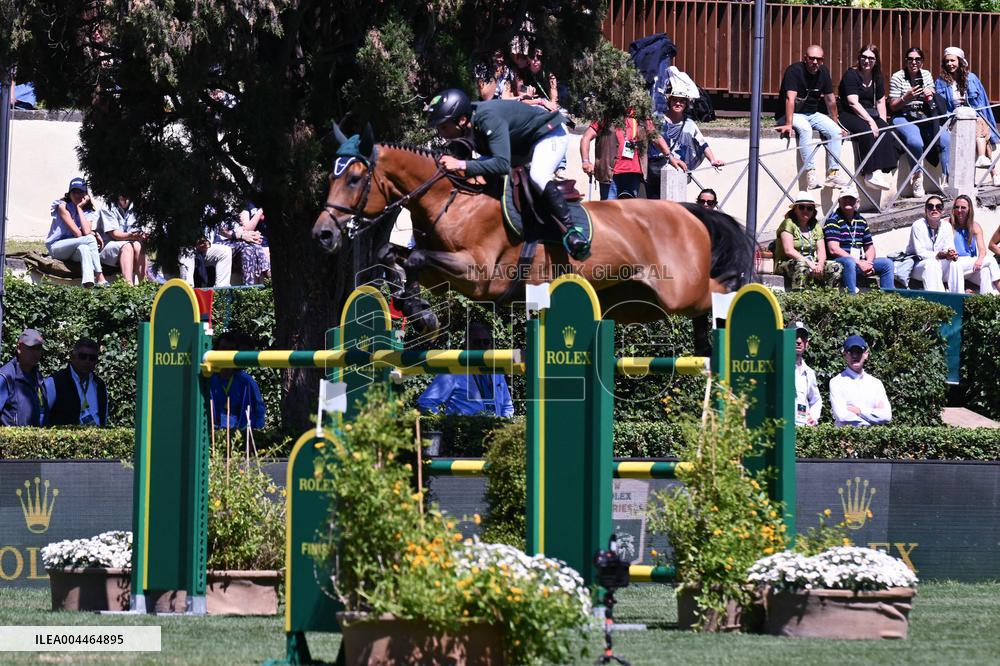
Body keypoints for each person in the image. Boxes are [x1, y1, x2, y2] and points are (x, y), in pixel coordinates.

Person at [426, 88, 590, 260]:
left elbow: (502, 164)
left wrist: (460, 164)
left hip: (549, 133)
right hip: (520, 144)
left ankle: (571, 230)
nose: (441, 133)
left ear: (461, 119)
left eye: (443, 126)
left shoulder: (487, 119)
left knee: (538, 175)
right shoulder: (463, 125)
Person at [774, 45, 849, 190]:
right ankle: (810, 173)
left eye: (819, 59)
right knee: (806, 130)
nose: (815, 62)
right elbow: (790, 99)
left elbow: (830, 100)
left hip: (812, 113)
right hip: (791, 113)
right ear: (805, 59)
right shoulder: (794, 71)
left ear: (822, 61)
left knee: (836, 132)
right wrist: (788, 123)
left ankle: (833, 173)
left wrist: (835, 123)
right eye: (812, 58)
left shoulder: (824, 72)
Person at [416, 322, 514, 417]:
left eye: (486, 342)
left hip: (496, 431)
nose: (482, 346)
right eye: (477, 342)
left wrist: (505, 427)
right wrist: (445, 424)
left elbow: (507, 405)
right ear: (467, 345)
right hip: (465, 432)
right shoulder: (453, 372)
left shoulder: (496, 372)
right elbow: (425, 403)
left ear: (491, 345)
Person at [644, 85, 725, 200]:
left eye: (682, 101)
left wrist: (712, 160)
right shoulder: (658, 119)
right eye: (675, 100)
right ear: (669, 101)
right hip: (656, 171)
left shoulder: (689, 124)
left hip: (677, 171)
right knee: (655, 206)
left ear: (686, 104)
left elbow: (702, 144)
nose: (678, 103)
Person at [888, 47, 949, 197]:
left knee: (947, 139)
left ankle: (947, 179)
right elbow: (892, 106)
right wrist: (905, 98)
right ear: (906, 61)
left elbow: (931, 95)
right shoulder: (898, 77)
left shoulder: (926, 74)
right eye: (910, 59)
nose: (913, 62)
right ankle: (917, 177)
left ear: (922, 61)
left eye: (917, 59)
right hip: (903, 115)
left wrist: (930, 93)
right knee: (915, 141)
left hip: (923, 115)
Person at [935, 47, 1000, 187]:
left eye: (952, 60)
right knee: (977, 129)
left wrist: (983, 118)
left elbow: (982, 101)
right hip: (953, 117)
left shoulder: (971, 78)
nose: (949, 64)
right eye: (947, 61)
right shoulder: (941, 81)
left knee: (979, 124)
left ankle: (986, 163)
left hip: (974, 115)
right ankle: (990, 169)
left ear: (960, 61)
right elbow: (941, 105)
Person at [838, 44, 898, 191]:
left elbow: (880, 102)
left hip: (869, 112)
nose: (867, 61)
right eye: (864, 57)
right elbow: (852, 102)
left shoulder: (877, 77)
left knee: (886, 130)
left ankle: (880, 170)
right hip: (849, 113)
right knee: (867, 131)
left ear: (876, 61)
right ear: (859, 58)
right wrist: (871, 122)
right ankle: (868, 173)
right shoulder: (851, 75)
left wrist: (882, 122)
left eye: (871, 58)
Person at [580, 112, 668, 200]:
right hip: (610, 174)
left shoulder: (641, 116)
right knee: (609, 211)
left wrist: (670, 156)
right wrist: (586, 161)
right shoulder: (607, 114)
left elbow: (656, 136)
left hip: (633, 175)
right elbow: (586, 138)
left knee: (629, 211)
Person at [824, 190, 894, 293]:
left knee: (887, 263)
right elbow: (833, 249)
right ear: (839, 201)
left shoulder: (861, 221)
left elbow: (869, 246)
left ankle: (889, 298)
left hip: (859, 262)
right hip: (840, 263)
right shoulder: (833, 221)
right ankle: (852, 298)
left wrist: (869, 263)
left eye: (851, 199)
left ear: (857, 202)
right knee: (849, 261)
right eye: (845, 198)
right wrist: (859, 263)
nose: (848, 201)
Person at [45, 178, 108, 288]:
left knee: (85, 248)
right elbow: (79, 234)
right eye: (74, 192)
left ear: (85, 194)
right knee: (90, 239)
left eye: (80, 192)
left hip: (74, 250)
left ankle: (88, 285)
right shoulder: (62, 207)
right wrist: (94, 234)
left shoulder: (88, 212)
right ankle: (100, 276)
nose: (77, 195)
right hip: (57, 248)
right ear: (69, 194)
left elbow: (87, 231)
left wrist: (79, 208)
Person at [774, 191, 843, 289]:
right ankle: (800, 298)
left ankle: (830, 298)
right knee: (802, 266)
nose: (806, 210)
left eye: (810, 208)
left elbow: (821, 252)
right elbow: (789, 250)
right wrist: (809, 263)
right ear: (795, 209)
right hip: (787, 263)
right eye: (802, 207)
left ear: (813, 211)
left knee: (836, 266)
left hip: (812, 263)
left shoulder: (815, 226)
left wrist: (820, 264)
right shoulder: (788, 224)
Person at [42, 338, 108, 427]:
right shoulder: (54, 382)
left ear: (96, 361)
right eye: (83, 356)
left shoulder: (99, 385)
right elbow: (41, 418)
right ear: (72, 357)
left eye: (92, 358)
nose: (87, 361)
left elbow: (104, 418)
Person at [829, 334, 892, 428]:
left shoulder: (876, 384)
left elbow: (886, 415)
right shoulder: (836, 382)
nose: (855, 356)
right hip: (845, 440)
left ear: (866, 354)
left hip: (871, 441)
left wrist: (860, 411)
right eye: (851, 352)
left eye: (859, 351)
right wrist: (872, 417)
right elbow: (842, 416)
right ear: (845, 355)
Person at [209, 332, 266, 429]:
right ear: (216, 351)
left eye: (231, 349)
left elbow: (259, 410)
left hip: (241, 438)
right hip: (214, 437)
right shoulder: (209, 379)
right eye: (223, 348)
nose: (227, 353)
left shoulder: (247, 382)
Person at [947, 194, 1000, 294]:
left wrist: (979, 260)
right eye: (957, 207)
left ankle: (987, 301)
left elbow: (982, 250)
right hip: (955, 264)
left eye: (963, 208)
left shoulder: (975, 226)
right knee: (990, 260)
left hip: (970, 266)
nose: (959, 210)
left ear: (969, 209)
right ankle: (998, 284)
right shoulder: (947, 224)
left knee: (985, 272)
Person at [902, 195, 955, 292]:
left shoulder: (946, 226)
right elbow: (920, 252)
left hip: (939, 264)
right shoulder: (918, 225)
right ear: (925, 210)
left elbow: (949, 247)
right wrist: (938, 255)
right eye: (930, 207)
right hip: (918, 265)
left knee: (956, 264)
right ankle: (939, 300)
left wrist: (951, 253)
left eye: (938, 207)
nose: (934, 209)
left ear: (942, 210)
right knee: (932, 263)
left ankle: (959, 299)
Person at [97, 195, 148, 285]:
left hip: (130, 244)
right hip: (108, 246)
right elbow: (115, 234)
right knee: (127, 246)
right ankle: (128, 287)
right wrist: (134, 236)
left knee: (138, 246)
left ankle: (144, 285)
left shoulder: (137, 206)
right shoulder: (107, 206)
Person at [0, 329, 45, 427]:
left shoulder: (39, 378)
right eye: (31, 348)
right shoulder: (5, 377)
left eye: (38, 348)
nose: (36, 352)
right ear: (19, 348)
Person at [216, 208, 270, 285]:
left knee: (250, 248)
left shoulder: (235, 206)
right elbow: (222, 231)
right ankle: (266, 271)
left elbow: (243, 228)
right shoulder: (215, 208)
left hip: (235, 241)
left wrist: (250, 234)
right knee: (250, 244)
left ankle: (250, 287)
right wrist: (242, 235)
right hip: (220, 242)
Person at [792, 322, 822, 426]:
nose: (798, 341)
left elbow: (816, 399)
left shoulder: (809, 372)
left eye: (802, 337)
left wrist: (813, 418)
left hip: (804, 430)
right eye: (794, 336)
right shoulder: (778, 368)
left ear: (807, 343)